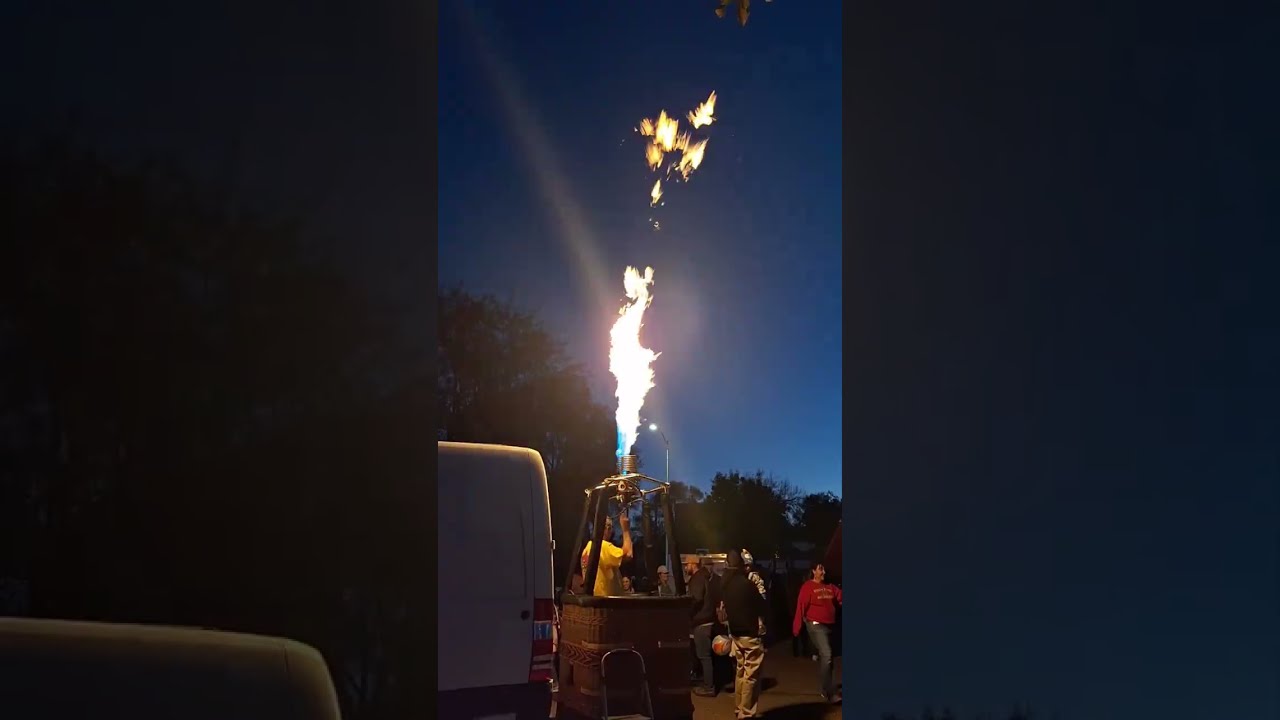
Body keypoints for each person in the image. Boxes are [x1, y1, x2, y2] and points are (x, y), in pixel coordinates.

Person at [721, 549, 768, 718]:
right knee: (751, 676)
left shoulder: (725, 584)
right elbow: (762, 606)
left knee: (740, 672)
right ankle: (746, 713)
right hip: (749, 634)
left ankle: (739, 708)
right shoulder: (747, 585)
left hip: (736, 635)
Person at [792, 562, 842, 703]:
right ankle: (830, 692)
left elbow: (840, 597)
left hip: (829, 626)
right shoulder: (808, 587)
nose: (823, 572)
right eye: (820, 569)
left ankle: (825, 688)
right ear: (813, 571)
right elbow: (800, 606)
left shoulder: (830, 587)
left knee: (828, 658)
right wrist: (796, 627)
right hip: (815, 625)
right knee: (827, 654)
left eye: (824, 569)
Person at [685, 554, 720, 697]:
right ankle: (707, 682)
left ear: (693, 564)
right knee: (704, 655)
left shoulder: (698, 578)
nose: (685, 567)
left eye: (687, 565)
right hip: (706, 621)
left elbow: (697, 598)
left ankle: (708, 687)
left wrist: (688, 610)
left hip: (701, 622)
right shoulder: (704, 577)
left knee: (704, 656)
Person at [580, 514, 633, 597]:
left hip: (594, 599)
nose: (611, 531)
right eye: (610, 528)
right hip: (606, 603)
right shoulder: (602, 546)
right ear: (607, 528)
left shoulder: (587, 548)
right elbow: (628, 554)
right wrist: (626, 529)